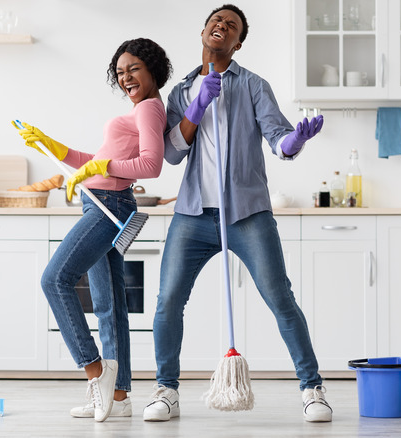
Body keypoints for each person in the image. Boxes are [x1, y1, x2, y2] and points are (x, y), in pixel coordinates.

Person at [143, 4, 330, 423]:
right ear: (204, 30)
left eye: (231, 26)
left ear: (237, 43)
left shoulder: (253, 85)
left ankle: (312, 389)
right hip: (193, 215)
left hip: (247, 214)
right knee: (168, 301)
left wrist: (295, 141)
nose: (221, 27)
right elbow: (172, 153)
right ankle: (165, 390)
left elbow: (279, 139)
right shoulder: (180, 92)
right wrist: (196, 107)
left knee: (281, 299)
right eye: (216, 21)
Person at [17, 38, 172, 422]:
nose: (126, 78)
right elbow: (98, 160)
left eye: (133, 68)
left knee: (55, 280)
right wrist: (55, 148)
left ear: (152, 69)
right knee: (109, 304)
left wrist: (100, 169)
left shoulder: (150, 109)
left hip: (109, 207)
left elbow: (151, 165)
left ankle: (95, 373)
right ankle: (118, 397)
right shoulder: (139, 111)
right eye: (120, 73)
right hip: (102, 203)